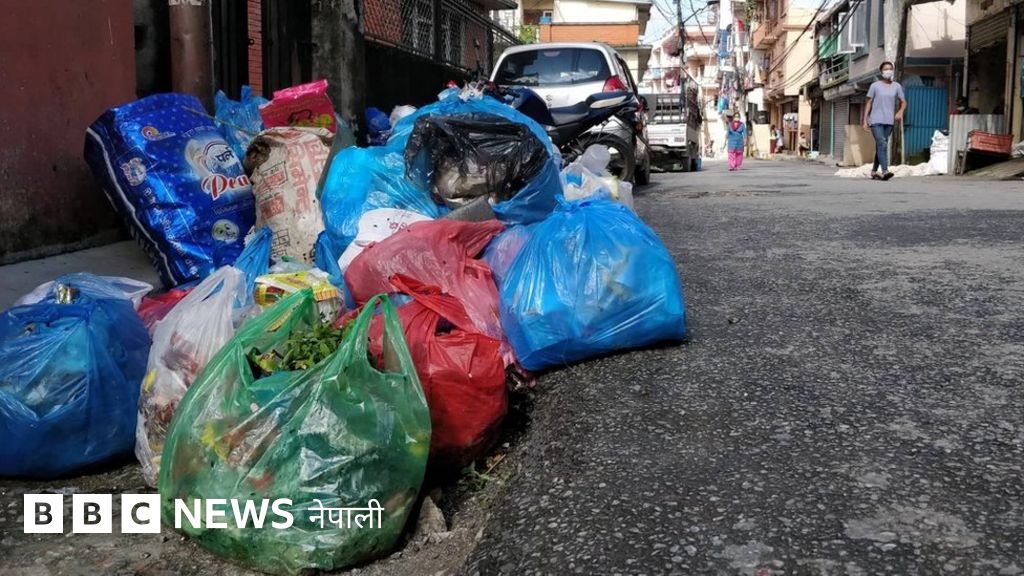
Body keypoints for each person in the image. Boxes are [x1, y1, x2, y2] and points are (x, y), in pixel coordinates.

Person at [862, 61, 907, 181]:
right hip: (875, 120)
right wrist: (865, 120)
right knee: (882, 143)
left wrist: (900, 112)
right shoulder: (875, 86)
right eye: (886, 69)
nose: (888, 71)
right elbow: (869, 102)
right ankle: (885, 170)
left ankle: (874, 171)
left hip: (889, 121)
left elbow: (903, 102)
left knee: (881, 145)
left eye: (890, 69)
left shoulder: (896, 86)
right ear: (881, 72)